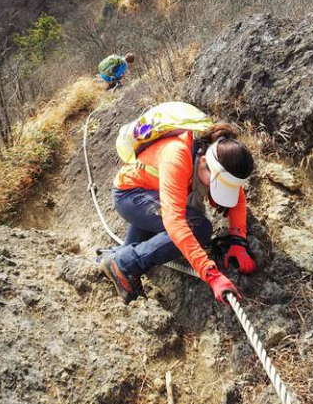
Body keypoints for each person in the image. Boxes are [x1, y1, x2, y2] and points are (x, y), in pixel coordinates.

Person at [100, 122, 257, 304]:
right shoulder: (177, 155)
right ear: (205, 163)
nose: (214, 191)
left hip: (155, 195)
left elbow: (236, 193)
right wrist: (211, 275)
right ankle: (123, 264)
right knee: (198, 228)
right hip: (131, 196)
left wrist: (238, 240)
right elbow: (175, 222)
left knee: (140, 245)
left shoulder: (217, 159)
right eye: (215, 184)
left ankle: (121, 255)